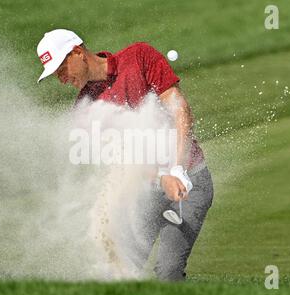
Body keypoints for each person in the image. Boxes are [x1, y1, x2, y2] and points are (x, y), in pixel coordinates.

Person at [36, 29, 214, 281]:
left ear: (77, 53)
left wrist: (176, 169)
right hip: (147, 192)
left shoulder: (139, 56)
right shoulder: (85, 109)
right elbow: (123, 161)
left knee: (168, 272)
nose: (62, 79)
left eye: (61, 69)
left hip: (192, 183)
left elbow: (180, 109)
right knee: (119, 272)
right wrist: (163, 178)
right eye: (56, 75)